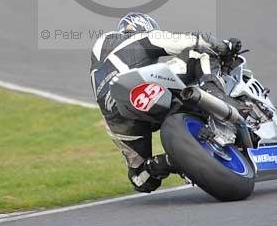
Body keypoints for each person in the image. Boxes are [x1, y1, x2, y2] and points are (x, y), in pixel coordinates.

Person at [89, 12, 241, 193]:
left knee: (141, 178)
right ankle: (218, 103)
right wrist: (226, 46)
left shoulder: (101, 52)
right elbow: (191, 41)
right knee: (200, 52)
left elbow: (141, 183)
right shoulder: (143, 37)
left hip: (115, 116)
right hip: (142, 85)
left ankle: (168, 162)